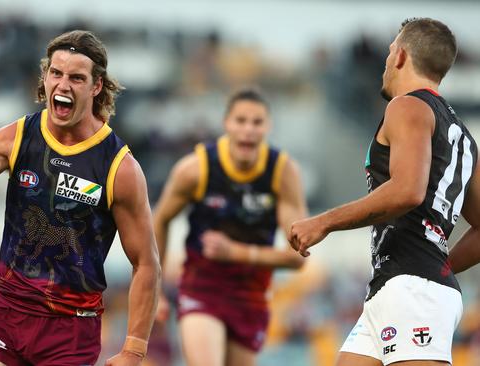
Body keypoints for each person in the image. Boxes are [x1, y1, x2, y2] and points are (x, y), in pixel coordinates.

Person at [0, 30, 161, 366]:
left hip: (70, 330)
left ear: (96, 86)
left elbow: (146, 264)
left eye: (76, 77)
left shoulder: (119, 167)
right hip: (7, 313)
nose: (63, 85)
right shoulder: (17, 137)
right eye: (56, 73)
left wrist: (134, 349)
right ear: (44, 77)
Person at [290, 18, 478, 366]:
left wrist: (324, 223)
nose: (386, 62)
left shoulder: (406, 106)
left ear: (402, 55)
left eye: (390, 51)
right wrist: (441, 266)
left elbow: (407, 191)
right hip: (400, 285)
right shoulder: (463, 135)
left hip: (412, 289)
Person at [153, 86, 307, 366]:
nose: (248, 130)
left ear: (268, 126)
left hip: (251, 294)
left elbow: (298, 258)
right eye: (240, 121)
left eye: (257, 122)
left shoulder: (283, 173)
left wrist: (235, 252)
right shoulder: (195, 169)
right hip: (203, 287)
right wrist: (156, 288)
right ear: (226, 123)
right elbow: (159, 219)